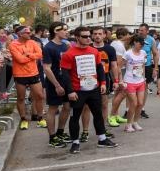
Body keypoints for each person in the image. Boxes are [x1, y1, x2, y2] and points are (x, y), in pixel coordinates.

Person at [58, 26, 117, 154]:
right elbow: (65, 75)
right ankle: (75, 142)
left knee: (98, 114)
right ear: (77, 37)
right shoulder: (69, 54)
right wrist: (70, 91)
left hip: (94, 89)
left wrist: (102, 83)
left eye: (89, 36)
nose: (88, 38)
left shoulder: (94, 51)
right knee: (75, 117)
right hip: (77, 91)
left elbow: (100, 68)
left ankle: (102, 139)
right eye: (84, 37)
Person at [8, 25, 45, 130]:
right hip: (20, 75)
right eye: (27, 32)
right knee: (21, 98)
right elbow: (20, 60)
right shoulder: (13, 44)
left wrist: (28, 54)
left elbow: (40, 54)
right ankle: (24, 119)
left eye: (30, 32)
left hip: (34, 73)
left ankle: (40, 118)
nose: (30, 34)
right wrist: (32, 56)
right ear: (20, 34)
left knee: (39, 96)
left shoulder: (32, 42)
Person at [41, 22, 71, 147]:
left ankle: (60, 132)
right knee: (53, 108)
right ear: (56, 31)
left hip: (65, 80)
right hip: (54, 82)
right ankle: (52, 138)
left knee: (67, 107)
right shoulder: (48, 47)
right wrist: (57, 85)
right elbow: (46, 68)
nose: (66, 32)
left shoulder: (65, 45)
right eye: (63, 30)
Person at [85, 26, 118, 140]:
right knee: (86, 106)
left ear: (104, 35)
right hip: (89, 79)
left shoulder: (110, 49)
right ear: (92, 35)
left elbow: (114, 65)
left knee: (104, 104)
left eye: (100, 34)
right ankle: (85, 131)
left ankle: (103, 129)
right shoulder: (87, 47)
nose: (97, 36)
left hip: (105, 79)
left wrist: (116, 81)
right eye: (95, 34)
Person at [121, 35, 147, 132]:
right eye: (141, 43)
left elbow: (143, 66)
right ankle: (128, 125)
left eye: (143, 44)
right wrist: (120, 80)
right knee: (134, 103)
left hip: (140, 81)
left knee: (140, 103)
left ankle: (135, 122)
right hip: (129, 81)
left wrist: (144, 78)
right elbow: (120, 67)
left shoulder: (143, 53)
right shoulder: (128, 53)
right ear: (135, 42)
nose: (142, 45)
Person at [108, 27, 130, 126]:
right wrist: (119, 79)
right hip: (118, 71)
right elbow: (118, 63)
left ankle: (115, 115)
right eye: (127, 34)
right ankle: (112, 116)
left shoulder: (116, 43)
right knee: (122, 92)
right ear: (123, 35)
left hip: (117, 71)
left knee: (118, 93)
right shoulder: (119, 45)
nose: (129, 36)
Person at [137, 23, 158, 119]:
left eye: (142, 30)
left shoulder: (151, 40)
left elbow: (155, 54)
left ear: (147, 31)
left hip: (147, 66)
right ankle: (129, 110)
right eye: (139, 30)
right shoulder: (135, 38)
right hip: (136, 67)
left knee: (144, 87)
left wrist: (155, 68)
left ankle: (142, 109)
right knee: (133, 88)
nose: (140, 32)